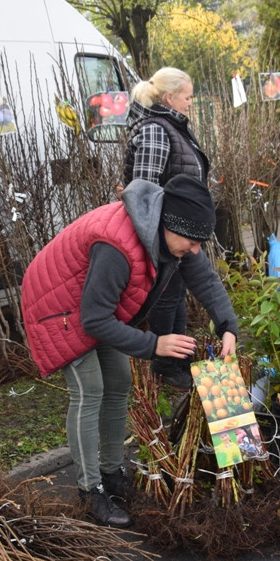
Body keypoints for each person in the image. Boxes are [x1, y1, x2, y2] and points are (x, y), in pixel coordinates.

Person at [21, 174, 238, 527]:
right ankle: (90, 491)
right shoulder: (116, 247)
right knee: (90, 388)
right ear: (170, 224)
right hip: (57, 310)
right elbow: (93, 320)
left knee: (119, 380)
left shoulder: (175, 237)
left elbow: (205, 279)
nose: (195, 250)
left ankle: (112, 472)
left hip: (94, 305)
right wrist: (155, 344)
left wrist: (227, 326)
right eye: (193, 242)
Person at [123, 67, 211, 390]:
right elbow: (142, 192)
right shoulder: (156, 132)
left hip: (178, 231)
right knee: (166, 297)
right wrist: (158, 239)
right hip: (162, 234)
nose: (190, 103)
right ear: (170, 97)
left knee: (176, 296)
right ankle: (165, 366)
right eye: (187, 97)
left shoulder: (170, 126)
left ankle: (178, 360)